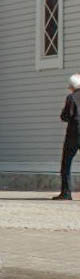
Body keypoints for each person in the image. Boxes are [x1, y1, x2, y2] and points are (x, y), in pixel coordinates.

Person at [55, 73, 80, 201]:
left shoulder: (71, 98)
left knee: (66, 163)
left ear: (72, 86)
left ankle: (66, 193)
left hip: (74, 133)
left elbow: (65, 116)